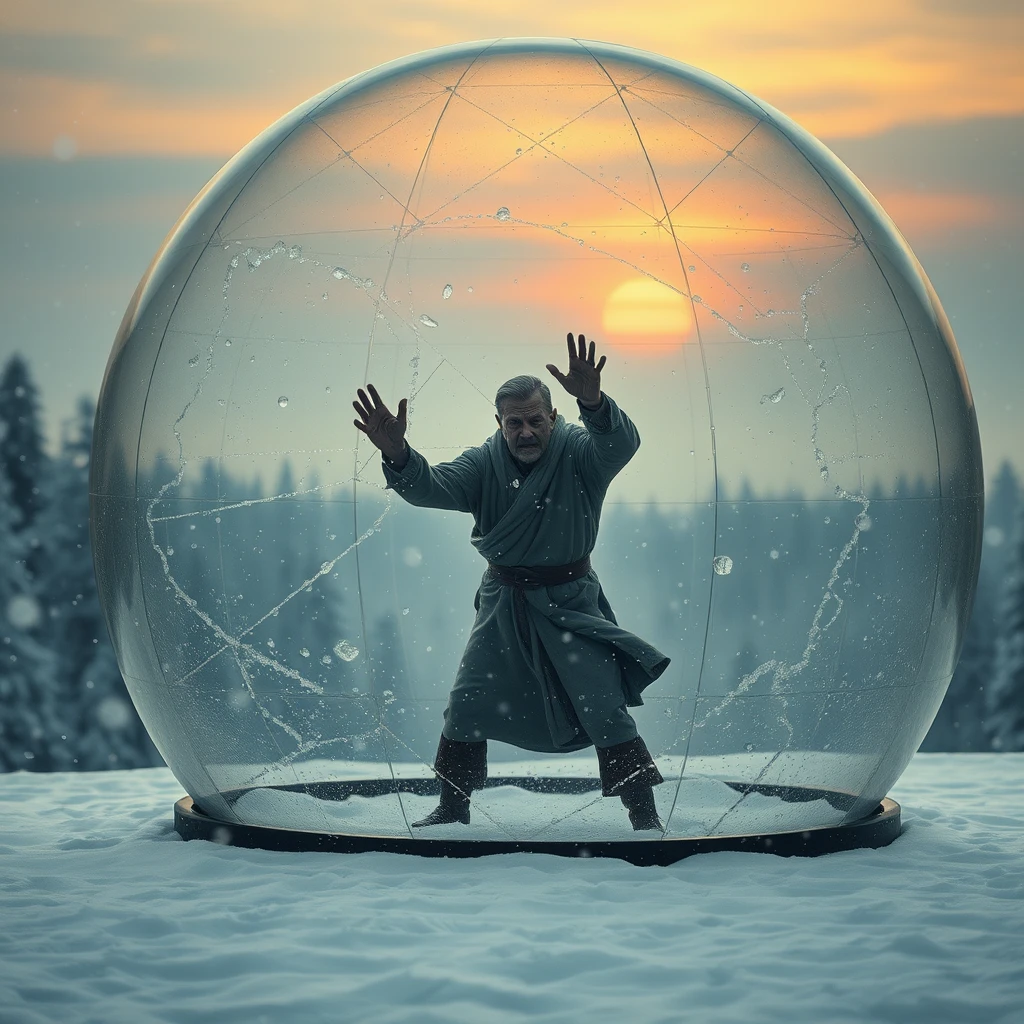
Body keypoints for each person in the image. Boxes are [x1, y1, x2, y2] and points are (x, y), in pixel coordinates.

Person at [352, 333, 670, 831]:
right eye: (513, 422)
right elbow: (430, 487)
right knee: (466, 702)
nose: (525, 432)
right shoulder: (483, 464)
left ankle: (644, 816)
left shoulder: (581, 454)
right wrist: (399, 455)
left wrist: (594, 401)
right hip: (503, 605)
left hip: (571, 601)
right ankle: (452, 807)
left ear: (553, 418)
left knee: (603, 706)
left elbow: (621, 444)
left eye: (535, 420)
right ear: (499, 424)